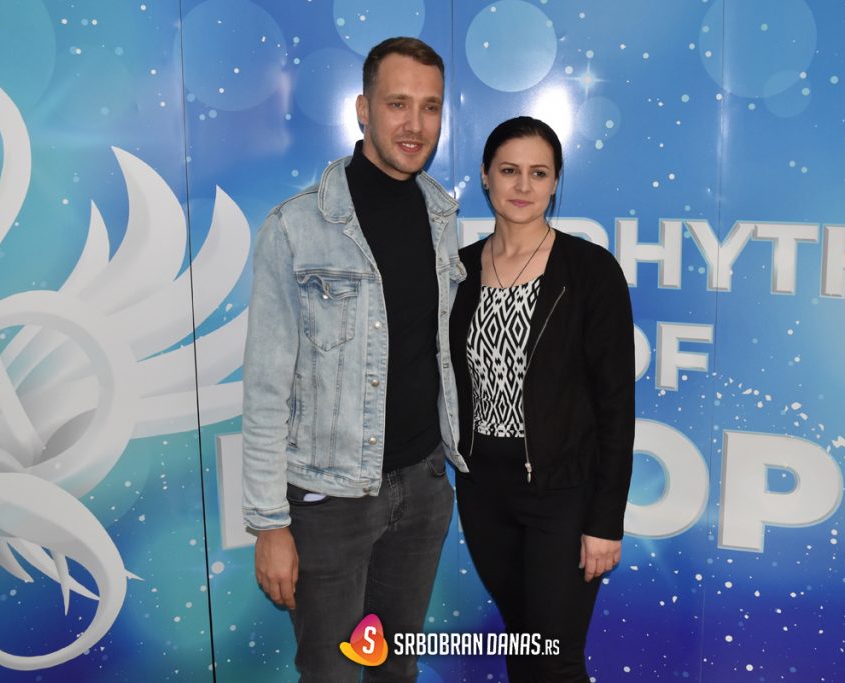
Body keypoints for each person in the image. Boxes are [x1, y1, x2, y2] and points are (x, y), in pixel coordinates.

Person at [241, 36, 468, 682]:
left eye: (430, 106)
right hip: (329, 501)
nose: (415, 123)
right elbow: (265, 388)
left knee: (395, 671)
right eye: (398, 103)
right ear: (363, 109)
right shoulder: (296, 227)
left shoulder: (441, 216)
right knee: (332, 674)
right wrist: (269, 524)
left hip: (422, 488)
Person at [449, 116, 635, 682]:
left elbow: (616, 407)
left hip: (563, 493)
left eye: (539, 173)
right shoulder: (458, 272)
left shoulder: (589, 270)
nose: (523, 186)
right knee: (525, 646)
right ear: (486, 176)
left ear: (555, 182)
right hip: (483, 493)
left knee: (555, 659)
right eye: (510, 171)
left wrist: (605, 521)